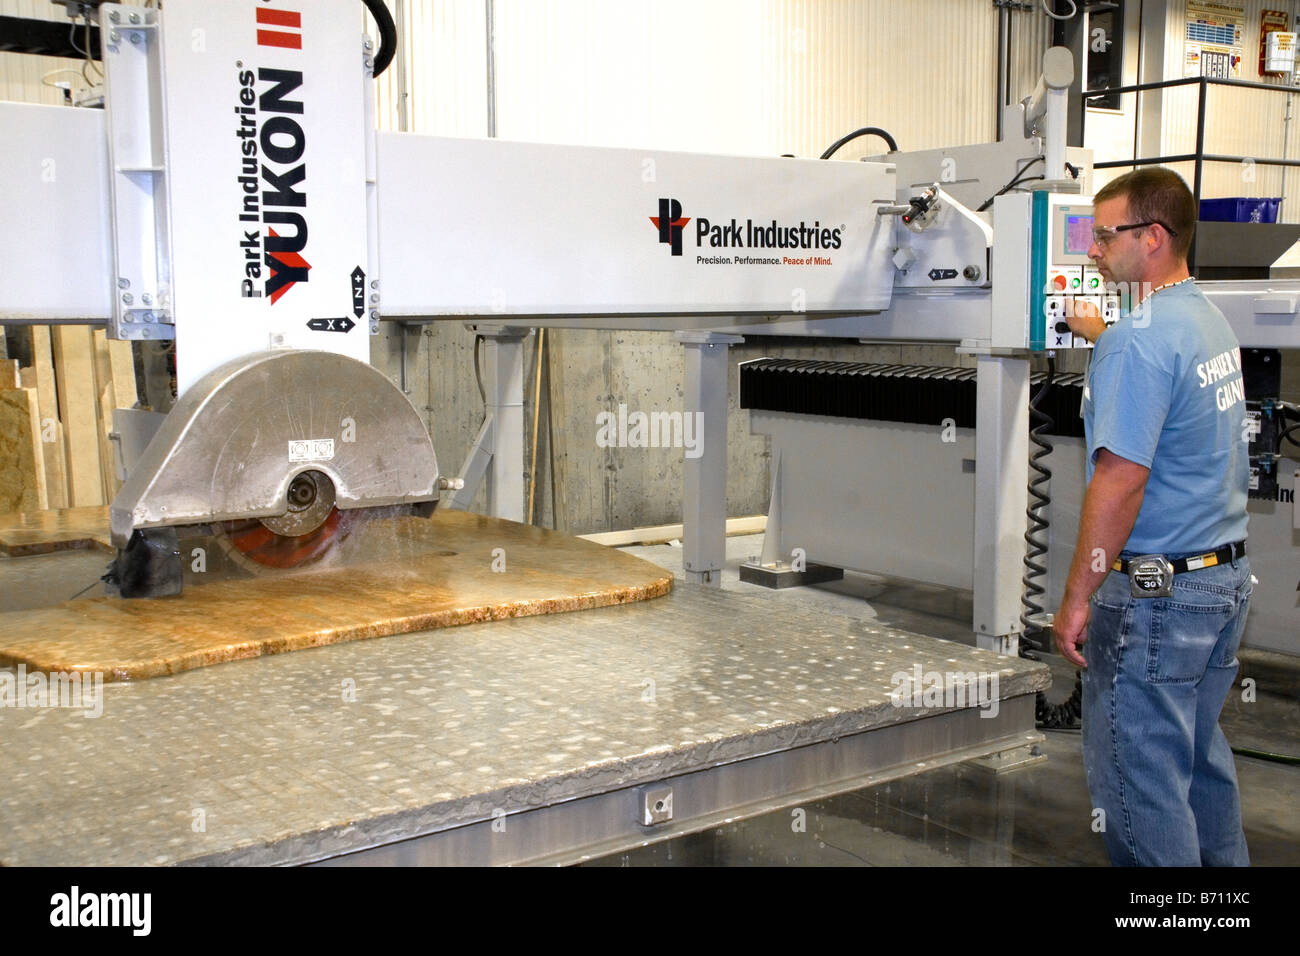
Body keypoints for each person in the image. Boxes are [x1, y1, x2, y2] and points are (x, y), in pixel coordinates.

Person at [1054, 167, 1252, 866]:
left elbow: (1120, 482)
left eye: (1106, 237)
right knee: (1198, 771)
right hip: (1219, 583)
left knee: (1141, 791)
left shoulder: (1136, 341)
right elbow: (1155, 379)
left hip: (1155, 597)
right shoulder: (1203, 318)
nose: (1092, 252)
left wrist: (1078, 596)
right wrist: (1105, 337)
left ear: (1154, 237)